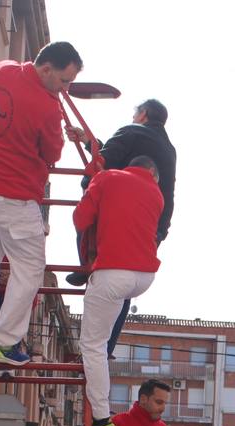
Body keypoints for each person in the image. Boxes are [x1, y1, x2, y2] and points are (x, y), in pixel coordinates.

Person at [0, 42, 84, 368]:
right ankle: (5, 341)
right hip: (9, 192)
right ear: (46, 70)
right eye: (64, 81)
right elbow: (52, 153)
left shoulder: (4, 68)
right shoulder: (47, 106)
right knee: (29, 267)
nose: (66, 88)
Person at [68, 98, 177, 356]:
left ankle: (85, 266)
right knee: (126, 281)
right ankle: (108, 346)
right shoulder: (169, 149)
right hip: (152, 222)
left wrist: (88, 187)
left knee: (88, 231)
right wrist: (88, 140)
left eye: (135, 113)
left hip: (118, 215)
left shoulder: (130, 131)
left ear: (143, 114)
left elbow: (104, 161)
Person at [72, 156, 164, 426]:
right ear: (152, 172)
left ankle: (100, 416)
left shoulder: (107, 178)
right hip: (144, 276)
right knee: (100, 342)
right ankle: (98, 410)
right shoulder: (156, 194)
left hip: (113, 270)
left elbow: (80, 219)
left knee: (92, 345)